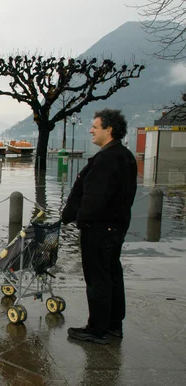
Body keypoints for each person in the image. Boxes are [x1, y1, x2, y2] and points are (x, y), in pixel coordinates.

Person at [62, 109, 137, 345]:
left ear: (109, 130)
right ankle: (114, 324)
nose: (91, 130)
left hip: (99, 229)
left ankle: (97, 329)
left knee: (98, 279)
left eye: (95, 126)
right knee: (112, 274)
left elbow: (95, 198)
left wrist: (81, 218)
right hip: (115, 228)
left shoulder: (108, 159)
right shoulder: (124, 155)